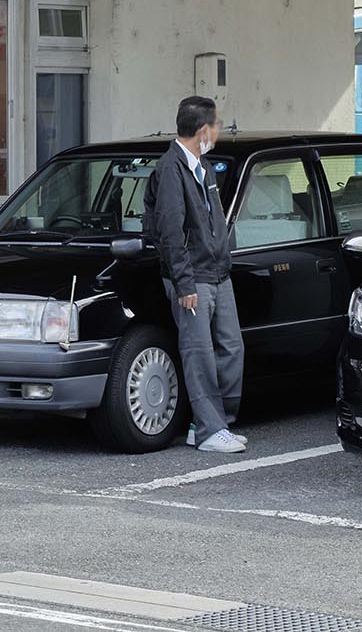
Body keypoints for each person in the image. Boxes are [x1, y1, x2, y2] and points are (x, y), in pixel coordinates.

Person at [144, 95, 246, 454]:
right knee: (199, 353)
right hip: (194, 279)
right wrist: (184, 283)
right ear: (203, 130)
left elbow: (213, 221)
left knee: (232, 348)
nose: (218, 132)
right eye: (216, 126)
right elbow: (170, 232)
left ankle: (216, 422)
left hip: (218, 273)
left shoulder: (201, 167)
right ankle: (208, 429)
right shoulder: (170, 170)